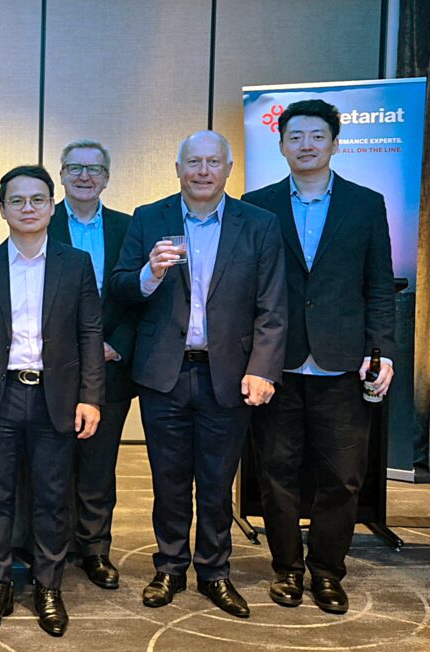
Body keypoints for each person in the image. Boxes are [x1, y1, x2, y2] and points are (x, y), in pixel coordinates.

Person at [110, 130, 287, 619]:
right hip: (163, 374)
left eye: (213, 162)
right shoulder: (150, 217)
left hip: (227, 374)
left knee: (216, 481)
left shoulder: (259, 223)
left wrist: (263, 368)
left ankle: (214, 572)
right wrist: (149, 274)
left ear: (228, 169)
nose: (203, 171)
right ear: (178, 169)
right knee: (168, 480)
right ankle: (169, 567)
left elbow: (273, 305)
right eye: (193, 162)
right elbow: (121, 287)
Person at [243, 99, 396, 615]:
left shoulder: (365, 204)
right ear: (281, 144)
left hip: (343, 364)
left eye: (316, 136)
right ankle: (286, 568)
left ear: (334, 143)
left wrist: (381, 352)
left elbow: (379, 286)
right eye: (295, 136)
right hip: (276, 366)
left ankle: (328, 571)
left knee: (343, 477)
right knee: (276, 474)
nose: (305, 145)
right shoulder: (257, 205)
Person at [0, 165, 104, 637]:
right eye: (16, 200)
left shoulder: (75, 263)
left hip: (54, 397)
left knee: (52, 498)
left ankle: (48, 586)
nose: (27, 208)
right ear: (2, 209)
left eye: (37, 199)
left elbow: (90, 333)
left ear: (52, 207)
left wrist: (91, 397)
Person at [47, 139, 136, 590]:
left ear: (107, 177)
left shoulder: (129, 227)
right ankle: (53, 546)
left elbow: (143, 296)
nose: (85, 176)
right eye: (75, 168)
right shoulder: (42, 222)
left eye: (95, 169)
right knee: (53, 461)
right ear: (61, 174)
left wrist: (115, 344)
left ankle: (95, 549)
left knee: (99, 464)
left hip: (112, 364)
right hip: (55, 365)